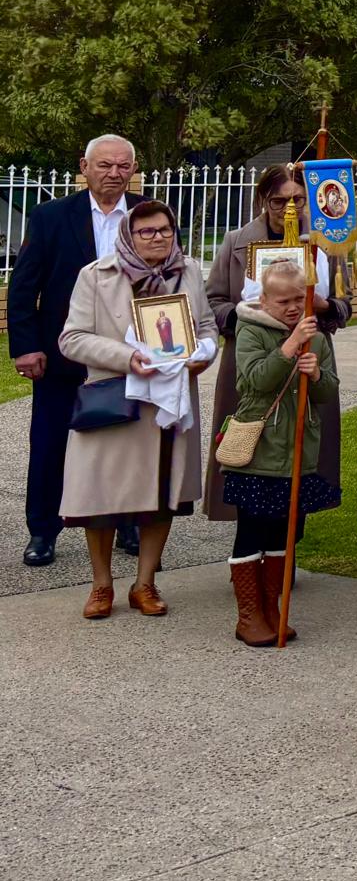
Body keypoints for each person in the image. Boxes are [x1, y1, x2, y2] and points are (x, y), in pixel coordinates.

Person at [59, 200, 217, 618]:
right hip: (116, 398)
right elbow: (72, 338)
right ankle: (101, 585)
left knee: (161, 494)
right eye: (146, 231)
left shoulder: (187, 271)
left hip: (168, 405)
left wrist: (204, 352)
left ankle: (144, 584)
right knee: (100, 496)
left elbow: (205, 326)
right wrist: (127, 356)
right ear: (129, 236)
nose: (158, 238)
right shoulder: (96, 275)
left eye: (165, 230)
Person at [10, 133, 146, 567]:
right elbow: (24, 285)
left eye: (123, 166)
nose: (114, 173)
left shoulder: (148, 214)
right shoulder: (51, 216)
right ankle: (42, 531)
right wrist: (26, 347)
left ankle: (128, 523)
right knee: (50, 443)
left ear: (133, 169)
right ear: (84, 168)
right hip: (63, 352)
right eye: (104, 165)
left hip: (131, 354)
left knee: (126, 442)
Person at [205, 165, 350, 526]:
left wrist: (322, 306)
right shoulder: (236, 241)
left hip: (308, 354)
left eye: (298, 200)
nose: (289, 208)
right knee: (251, 449)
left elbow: (345, 303)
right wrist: (252, 317)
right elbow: (214, 300)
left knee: (301, 450)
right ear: (263, 200)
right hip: (253, 357)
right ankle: (250, 536)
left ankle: (289, 541)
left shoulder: (325, 242)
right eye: (279, 201)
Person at [221, 261, 340, 646]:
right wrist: (288, 349)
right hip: (260, 451)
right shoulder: (251, 329)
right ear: (265, 299)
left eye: (298, 300)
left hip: (297, 453)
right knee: (252, 530)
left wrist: (317, 374)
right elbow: (254, 381)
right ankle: (249, 615)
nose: (292, 308)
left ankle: (273, 608)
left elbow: (328, 392)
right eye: (283, 301)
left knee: (282, 534)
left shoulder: (315, 337)